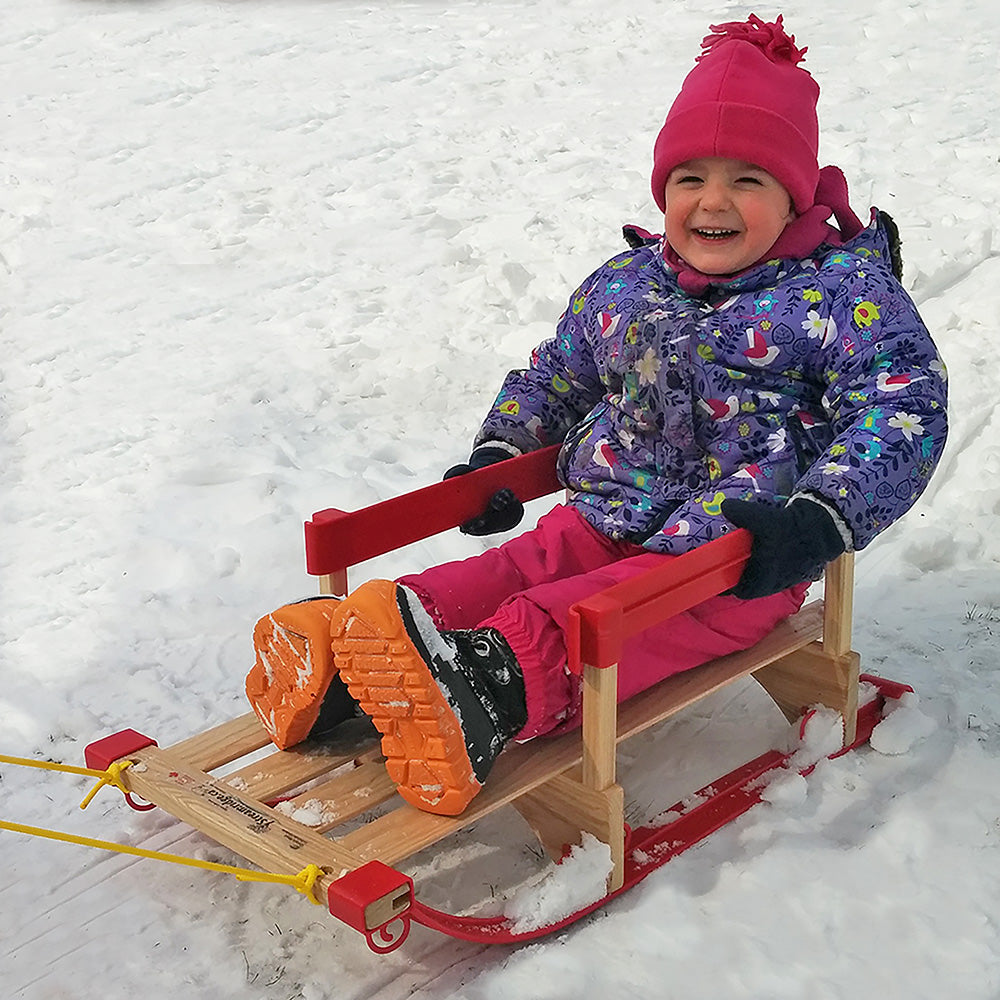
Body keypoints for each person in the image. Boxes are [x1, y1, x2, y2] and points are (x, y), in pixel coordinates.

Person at [245, 15, 947, 816]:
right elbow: (560, 374)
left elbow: (903, 410)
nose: (713, 201)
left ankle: (491, 686)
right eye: (690, 179)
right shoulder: (625, 285)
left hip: (731, 561)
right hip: (608, 507)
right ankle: (350, 663)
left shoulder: (838, 299)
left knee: (585, 619)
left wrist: (819, 522)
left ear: (794, 196)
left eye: (748, 180)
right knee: (510, 571)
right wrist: (503, 447)